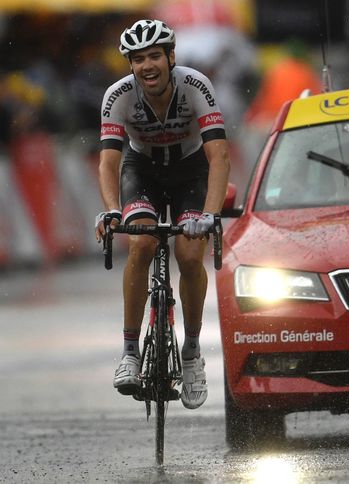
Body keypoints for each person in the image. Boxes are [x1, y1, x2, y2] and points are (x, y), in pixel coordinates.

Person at [94, 19, 230, 410]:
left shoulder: (196, 85)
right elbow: (108, 162)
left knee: (189, 254)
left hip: (191, 171)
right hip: (143, 171)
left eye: (155, 55)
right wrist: (111, 211)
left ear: (171, 57)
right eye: (138, 59)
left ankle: (190, 353)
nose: (147, 65)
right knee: (141, 243)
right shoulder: (118, 95)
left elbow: (218, 156)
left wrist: (209, 214)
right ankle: (130, 352)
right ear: (131, 65)